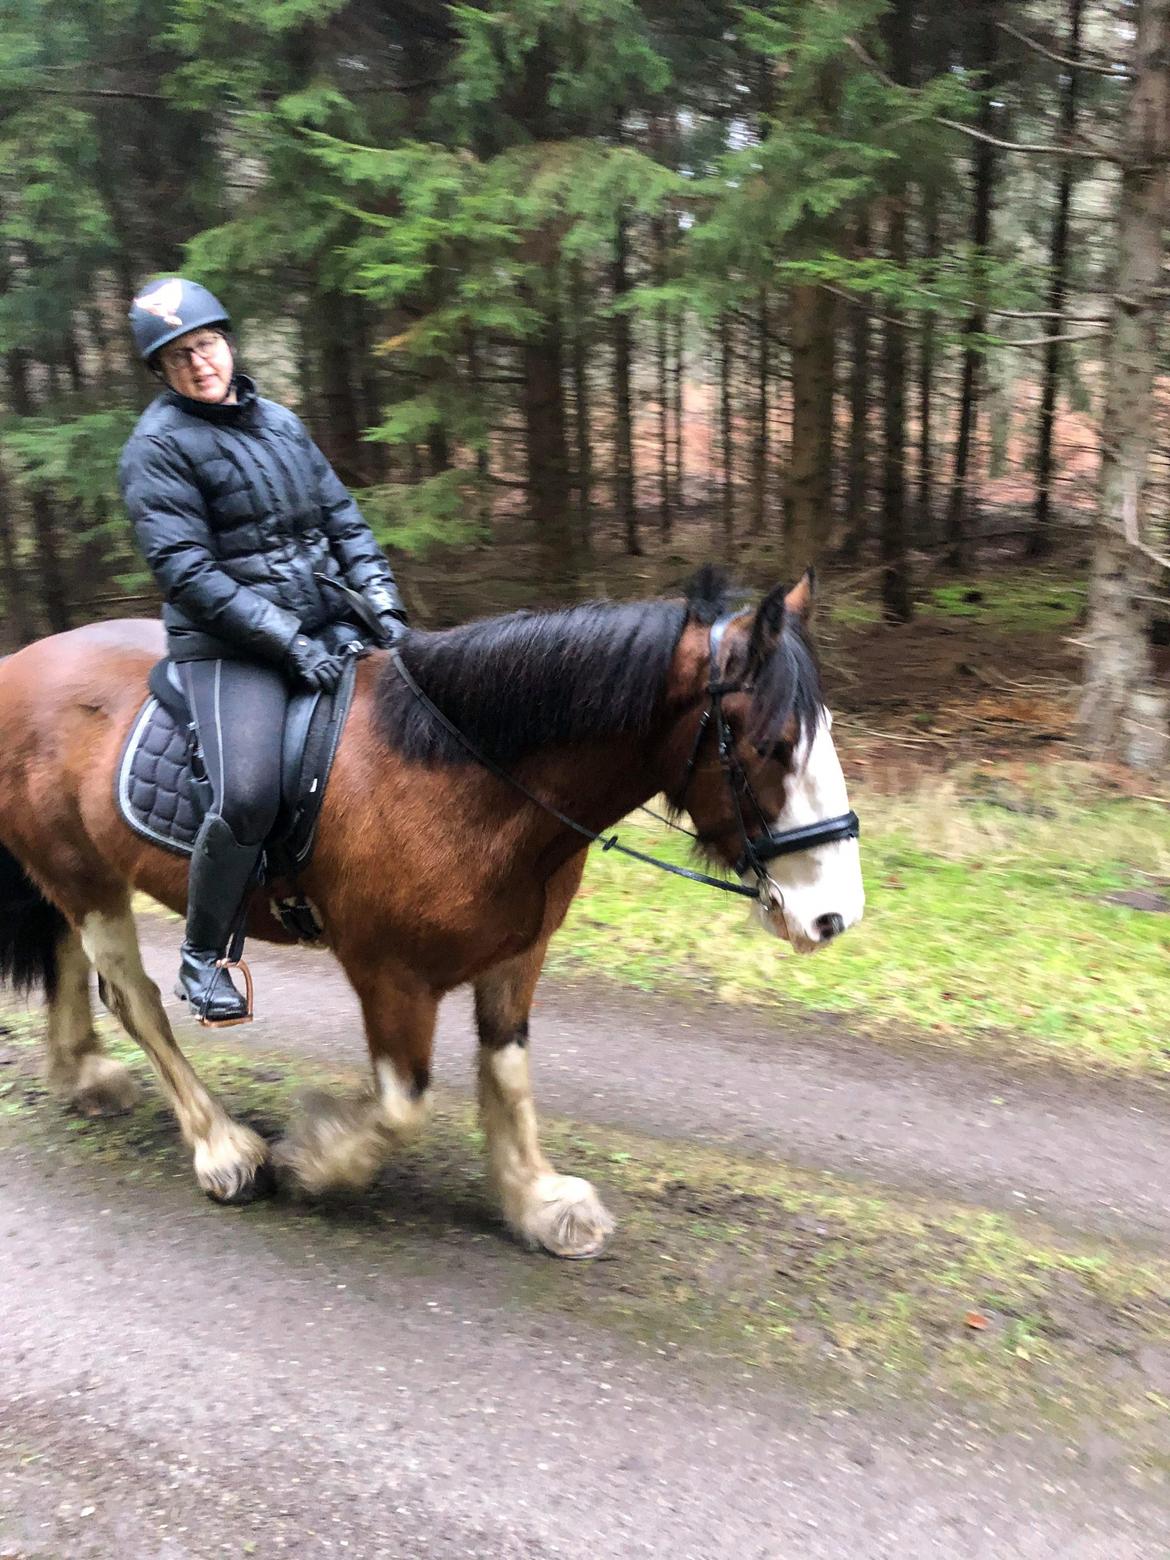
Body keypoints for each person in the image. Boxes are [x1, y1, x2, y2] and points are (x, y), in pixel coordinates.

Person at [119, 276, 408, 1024]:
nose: (198, 363)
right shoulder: (156, 450)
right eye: (178, 357)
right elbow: (187, 572)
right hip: (226, 646)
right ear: (163, 372)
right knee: (246, 793)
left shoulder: (280, 422)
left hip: (324, 619)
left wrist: (382, 602)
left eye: (206, 345)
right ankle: (204, 952)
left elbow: (344, 522)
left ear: (227, 342)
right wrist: (287, 643)